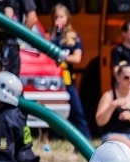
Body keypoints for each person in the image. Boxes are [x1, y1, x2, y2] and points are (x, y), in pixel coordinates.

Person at [0, 0, 37, 151]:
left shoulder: (9, 2)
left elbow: (14, 18)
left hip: (3, 46)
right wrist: (3, 26)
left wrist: (10, 29)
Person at [45, 3, 91, 141]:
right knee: (52, 111)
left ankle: (85, 139)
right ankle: (52, 138)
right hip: (50, 79)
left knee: (76, 110)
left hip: (67, 78)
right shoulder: (49, 36)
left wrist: (62, 56)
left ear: (67, 18)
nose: (59, 19)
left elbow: (77, 58)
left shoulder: (72, 38)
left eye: (62, 16)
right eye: (56, 17)